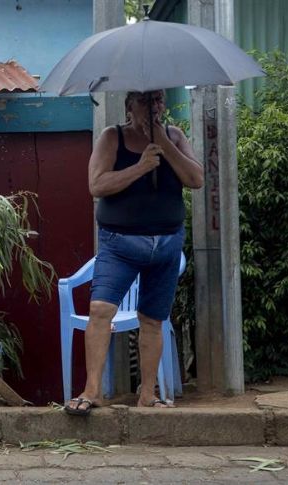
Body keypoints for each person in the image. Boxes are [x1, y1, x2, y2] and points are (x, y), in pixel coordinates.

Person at [64, 90, 203, 415]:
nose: (153, 107)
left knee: (153, 319)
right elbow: (97, 185)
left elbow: (196, 178)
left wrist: (166, 147)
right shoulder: (112, 137)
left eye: (158, 101)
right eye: (144, 101)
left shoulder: (175, 136)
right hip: (120, 244)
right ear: (129, 107)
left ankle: (147, 395)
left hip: (166, 244)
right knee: (100, 310)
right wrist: (141, 167)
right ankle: (92, 391)